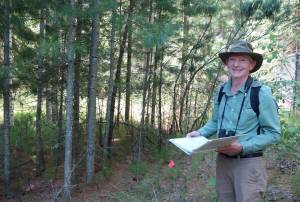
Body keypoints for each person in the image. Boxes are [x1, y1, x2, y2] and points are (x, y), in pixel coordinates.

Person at [186, 41, 281, 202]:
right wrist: (199, 133)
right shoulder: (222, 90)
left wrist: (242, 147)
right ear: (227, 63)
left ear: (252, 64)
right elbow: (215, 122)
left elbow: (273, 133)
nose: (236, 64)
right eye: (232, 59)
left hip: (248, 164)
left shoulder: (261, 93)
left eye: (242, 60)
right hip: (223, 162)